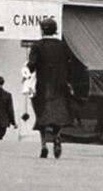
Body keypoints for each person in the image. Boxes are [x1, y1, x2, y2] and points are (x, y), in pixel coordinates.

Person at [26, 18, 72, 159]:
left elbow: (32, 64)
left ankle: (44, 145)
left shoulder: (37, 46)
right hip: (59, 84)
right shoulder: (62, 46)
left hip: (43, 84)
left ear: (42, 29)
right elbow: (69, 64)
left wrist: (26, 71)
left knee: (42, 114)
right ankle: (57, 136)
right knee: (58, 113)